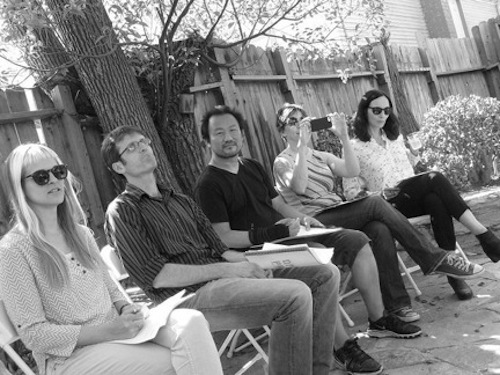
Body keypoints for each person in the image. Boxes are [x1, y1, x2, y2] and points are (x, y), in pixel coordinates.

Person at [193, 106, 425, 375]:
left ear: (242, 134)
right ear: (207, 141)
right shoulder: (208, 184)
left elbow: (279, 205)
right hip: (258, 251)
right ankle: (343, 348)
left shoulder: (252, 167)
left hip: (287, 235)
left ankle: (379, 321)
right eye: (219, 132)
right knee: (318, 261)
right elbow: (223, 237)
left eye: (233, 130)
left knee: (357, 240)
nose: (228, 137)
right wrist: (270, 234)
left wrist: (303, 219)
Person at [102, 126, 340, 375]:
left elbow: (223, 251)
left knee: (324, 274)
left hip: (223, 279)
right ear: (119, 167)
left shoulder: (181, 201)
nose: (142, 147)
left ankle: (318, 370)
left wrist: (261, 262)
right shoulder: (122, 211)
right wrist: (231, 270)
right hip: (186, 297)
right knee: (295, 296)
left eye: (144, 141)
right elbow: (158, 277)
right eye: (131, 147)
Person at [0, 144, 224, 375]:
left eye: (58, 172)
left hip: (120, 334)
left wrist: (127, 307)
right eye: (40, 176)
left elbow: (110, 288)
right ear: (20, 187)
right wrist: (111, 331)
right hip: (70, 358)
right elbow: (35, 335)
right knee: (174, 359)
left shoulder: (80, 235)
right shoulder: (13, 250)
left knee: (192, 323)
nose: (53, 181)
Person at [272, 102, 486, 307]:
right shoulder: (282, 162)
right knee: (374, 202)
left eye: (303, 120)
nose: (300, 125)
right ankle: (435, 258)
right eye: (292, 122)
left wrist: (344, 137)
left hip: (336, 211)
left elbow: (351, 171)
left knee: (379, 229)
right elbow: (299, 186)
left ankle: (397, 306)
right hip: (314, 222)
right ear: (282, 132)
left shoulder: (319, 156)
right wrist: (300, 147)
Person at [343, 89, 500, 300]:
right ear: (364, 112)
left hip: (410, 197)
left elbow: (412, 167)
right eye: (377, 110)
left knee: (435, 200)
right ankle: (485, 237)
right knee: (434, 178)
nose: (382, 115)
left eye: (387, 110)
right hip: (387, 204)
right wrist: (376, 194)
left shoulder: (395, 139)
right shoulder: (355, 148)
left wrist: (416, 155)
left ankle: (453, 272)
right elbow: (351, 191)